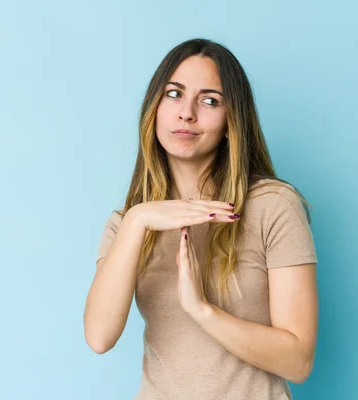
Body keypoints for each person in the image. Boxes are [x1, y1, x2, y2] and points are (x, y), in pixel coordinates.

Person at [83, 38, 318, 400]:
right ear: (154, 109)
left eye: (210, 101)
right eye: (173, 94)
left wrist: (202, 310)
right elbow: (99, 336)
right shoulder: (127, 224)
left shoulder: (272, 206)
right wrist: (137, 220)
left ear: (230, 121)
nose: (186, 113)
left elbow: (298, 361)